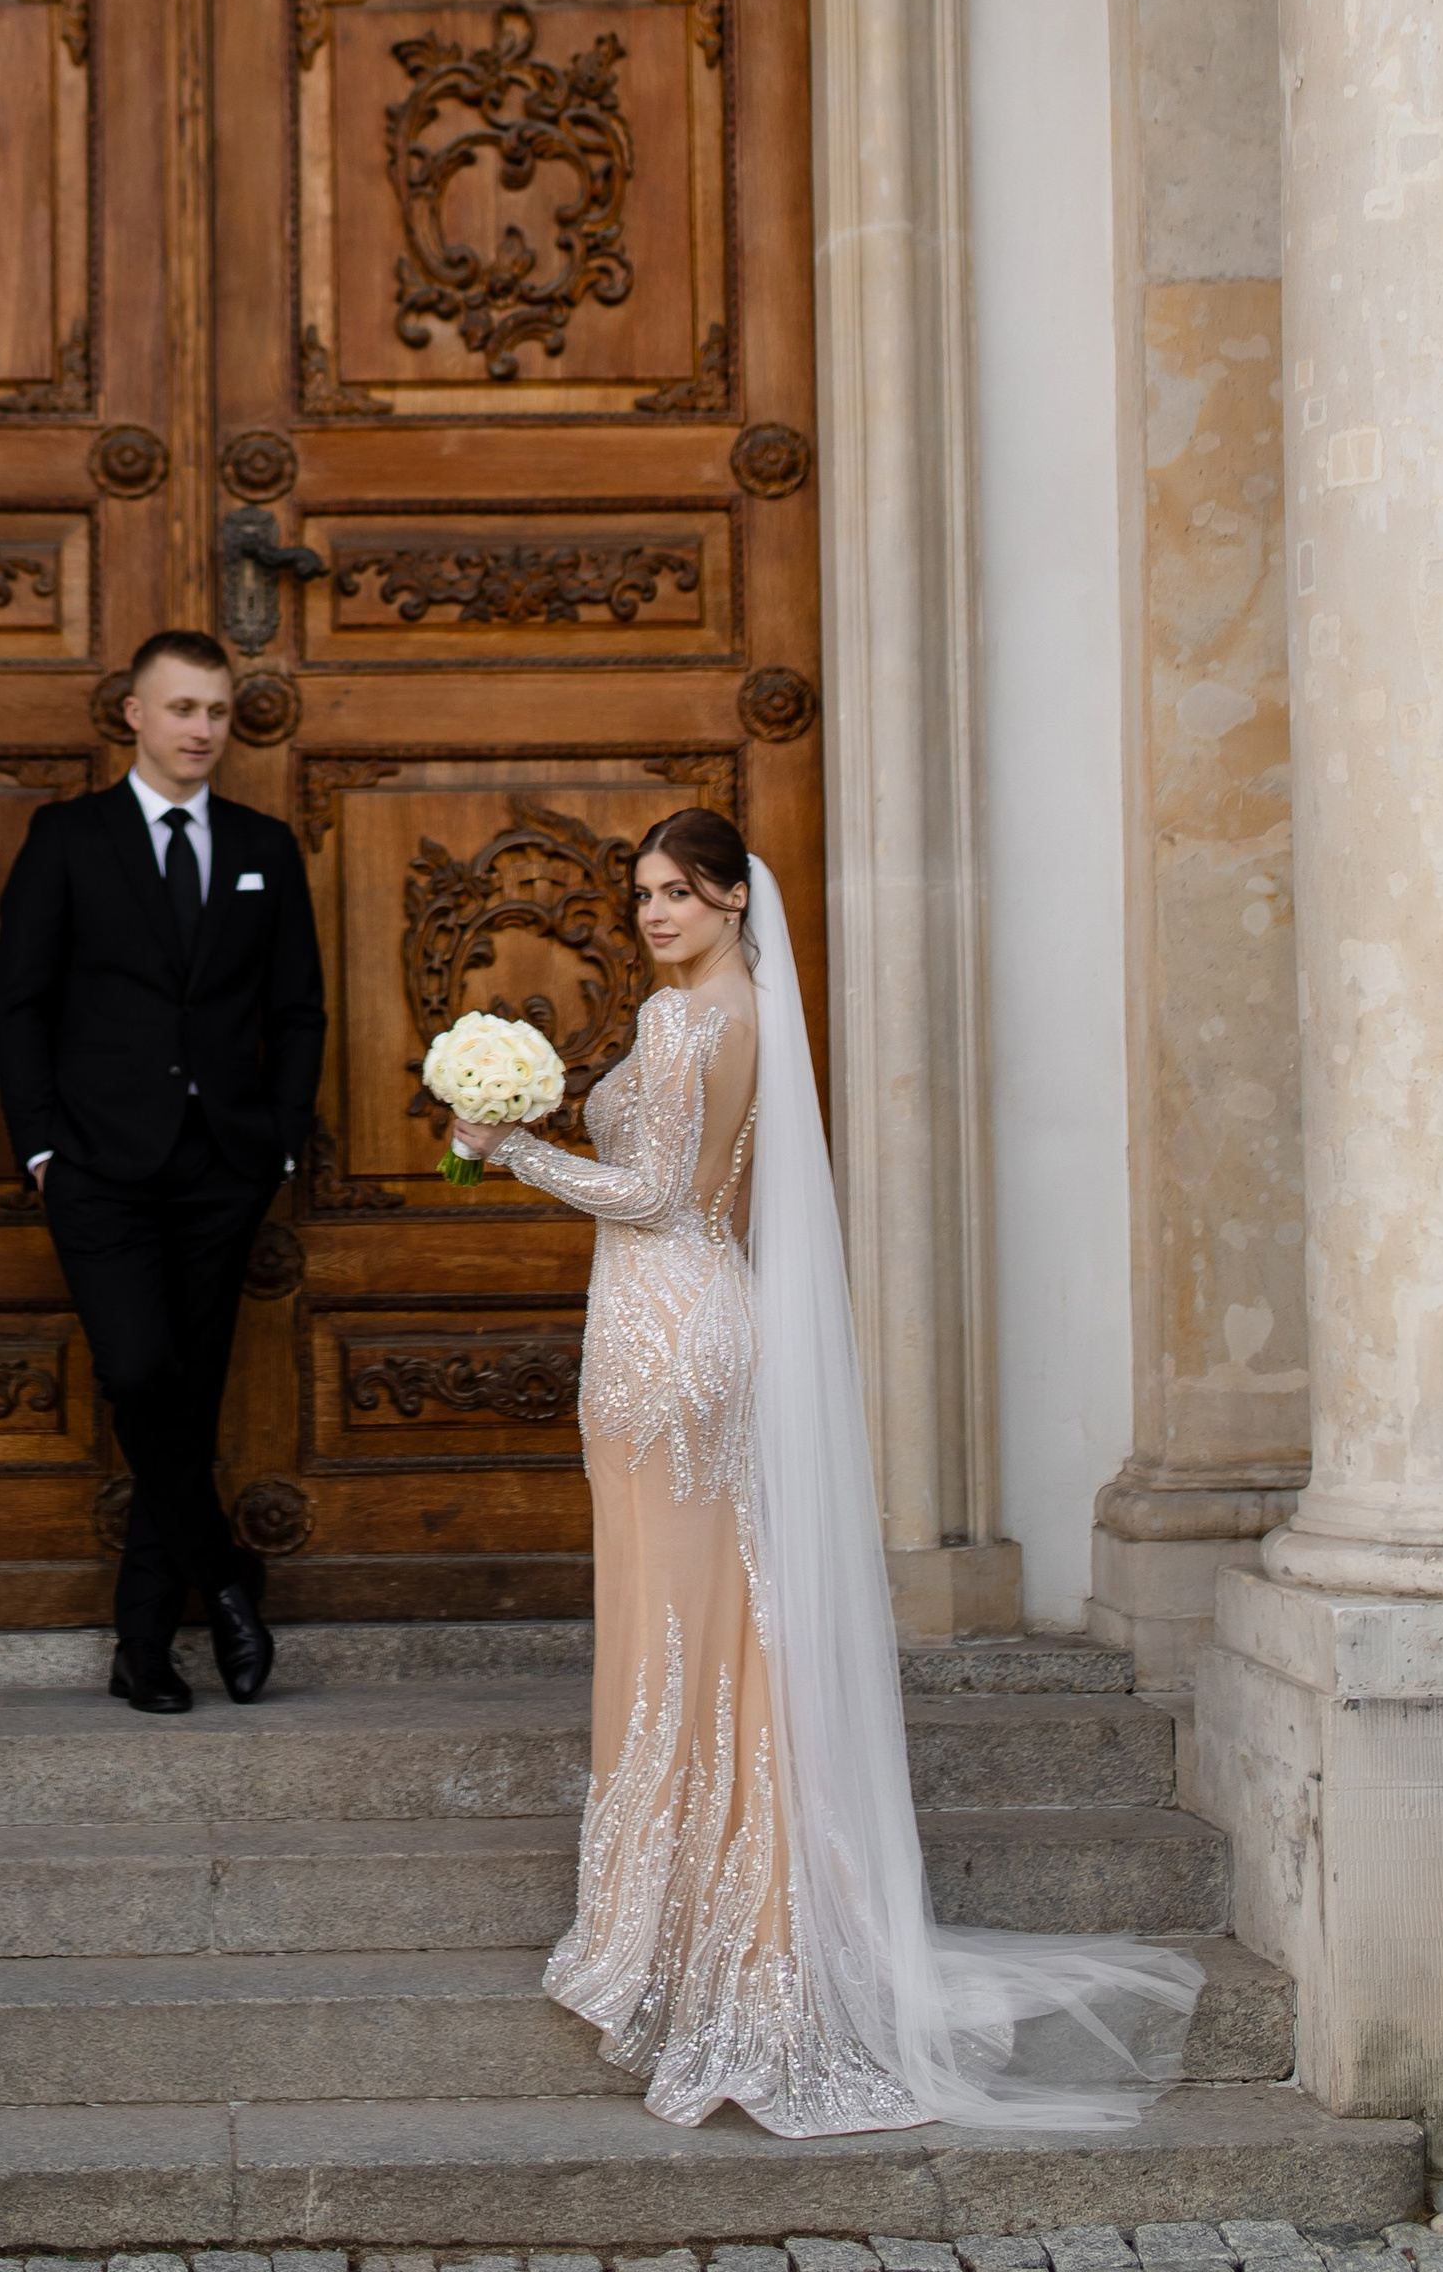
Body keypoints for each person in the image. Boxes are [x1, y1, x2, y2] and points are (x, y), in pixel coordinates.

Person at [447, 806, 1201, 2138]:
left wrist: (512, 1147)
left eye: (680, 892)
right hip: (699, 1322)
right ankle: (727, 1910)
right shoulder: (732, 1010)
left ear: (738, 900)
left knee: (680, 1635)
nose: (656, 914)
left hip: (664, 1335)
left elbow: (659, 1198)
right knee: (720, 1626)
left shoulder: (691, 1022)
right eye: (644, 895)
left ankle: (706, 1938)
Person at [0, 628, 327, 1716]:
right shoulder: (68, 838)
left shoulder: (264, 846)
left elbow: (296, 1009)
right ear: (131, 714)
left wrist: (275, 1139)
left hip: (222, 1167)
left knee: (182, 1398)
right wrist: (40, 1146)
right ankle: (226, 1578)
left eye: (217, 712)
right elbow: (22, 1002)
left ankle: (144, 1646)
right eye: (181, 708)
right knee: (140, 1375)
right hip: (96, 1166)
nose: (201, 730)